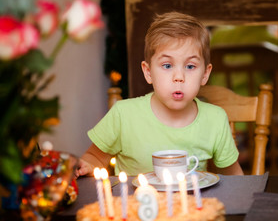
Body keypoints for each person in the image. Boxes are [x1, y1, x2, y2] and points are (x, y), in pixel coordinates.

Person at [76, 12, 243, 177]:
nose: (179, 77)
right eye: (167, 65)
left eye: (190, 66)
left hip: (191, 204)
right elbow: (94, 157)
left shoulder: (215, 120)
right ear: (148, 72)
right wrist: (88, 166)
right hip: (136, 204)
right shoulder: (123, 115)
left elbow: (234, 179)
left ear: (205, 74)